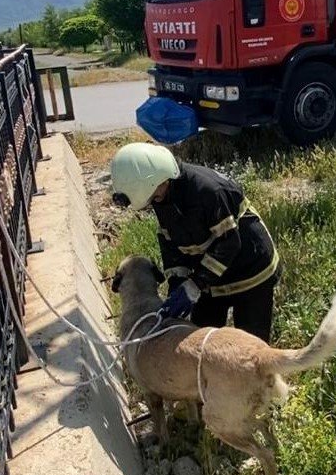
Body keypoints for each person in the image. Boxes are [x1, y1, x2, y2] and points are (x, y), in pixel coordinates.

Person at [109, 142, 280, 342]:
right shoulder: (161, 194)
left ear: (154, 182)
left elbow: (229, 243)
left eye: (153, 197)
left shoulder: (207, 191)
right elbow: (171, 241)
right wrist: (177, 283)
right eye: (151, 199)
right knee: (202, 347)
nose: (153, 202)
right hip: (210, 278)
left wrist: (196, 284)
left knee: (253, 352)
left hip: (251, 272)